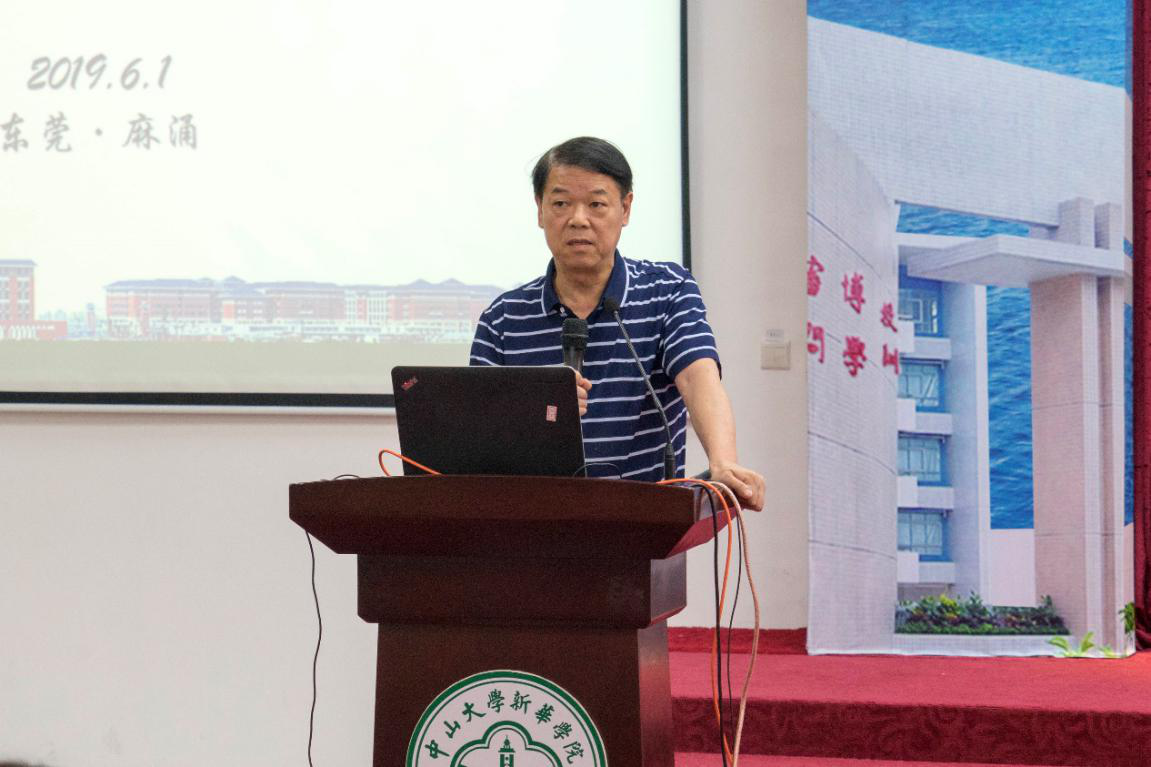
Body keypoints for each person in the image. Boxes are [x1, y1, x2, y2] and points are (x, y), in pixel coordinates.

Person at [470, 136, 765, 510]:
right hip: (532, 520)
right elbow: (479, 433)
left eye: (596, 204)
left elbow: (698, 378)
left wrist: (723, 462)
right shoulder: (503, 318)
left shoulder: (667, 291)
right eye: (561, 203)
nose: (578, 219)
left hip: (644, 521)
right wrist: (536, 411)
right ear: (540, 210)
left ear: (625, 209)